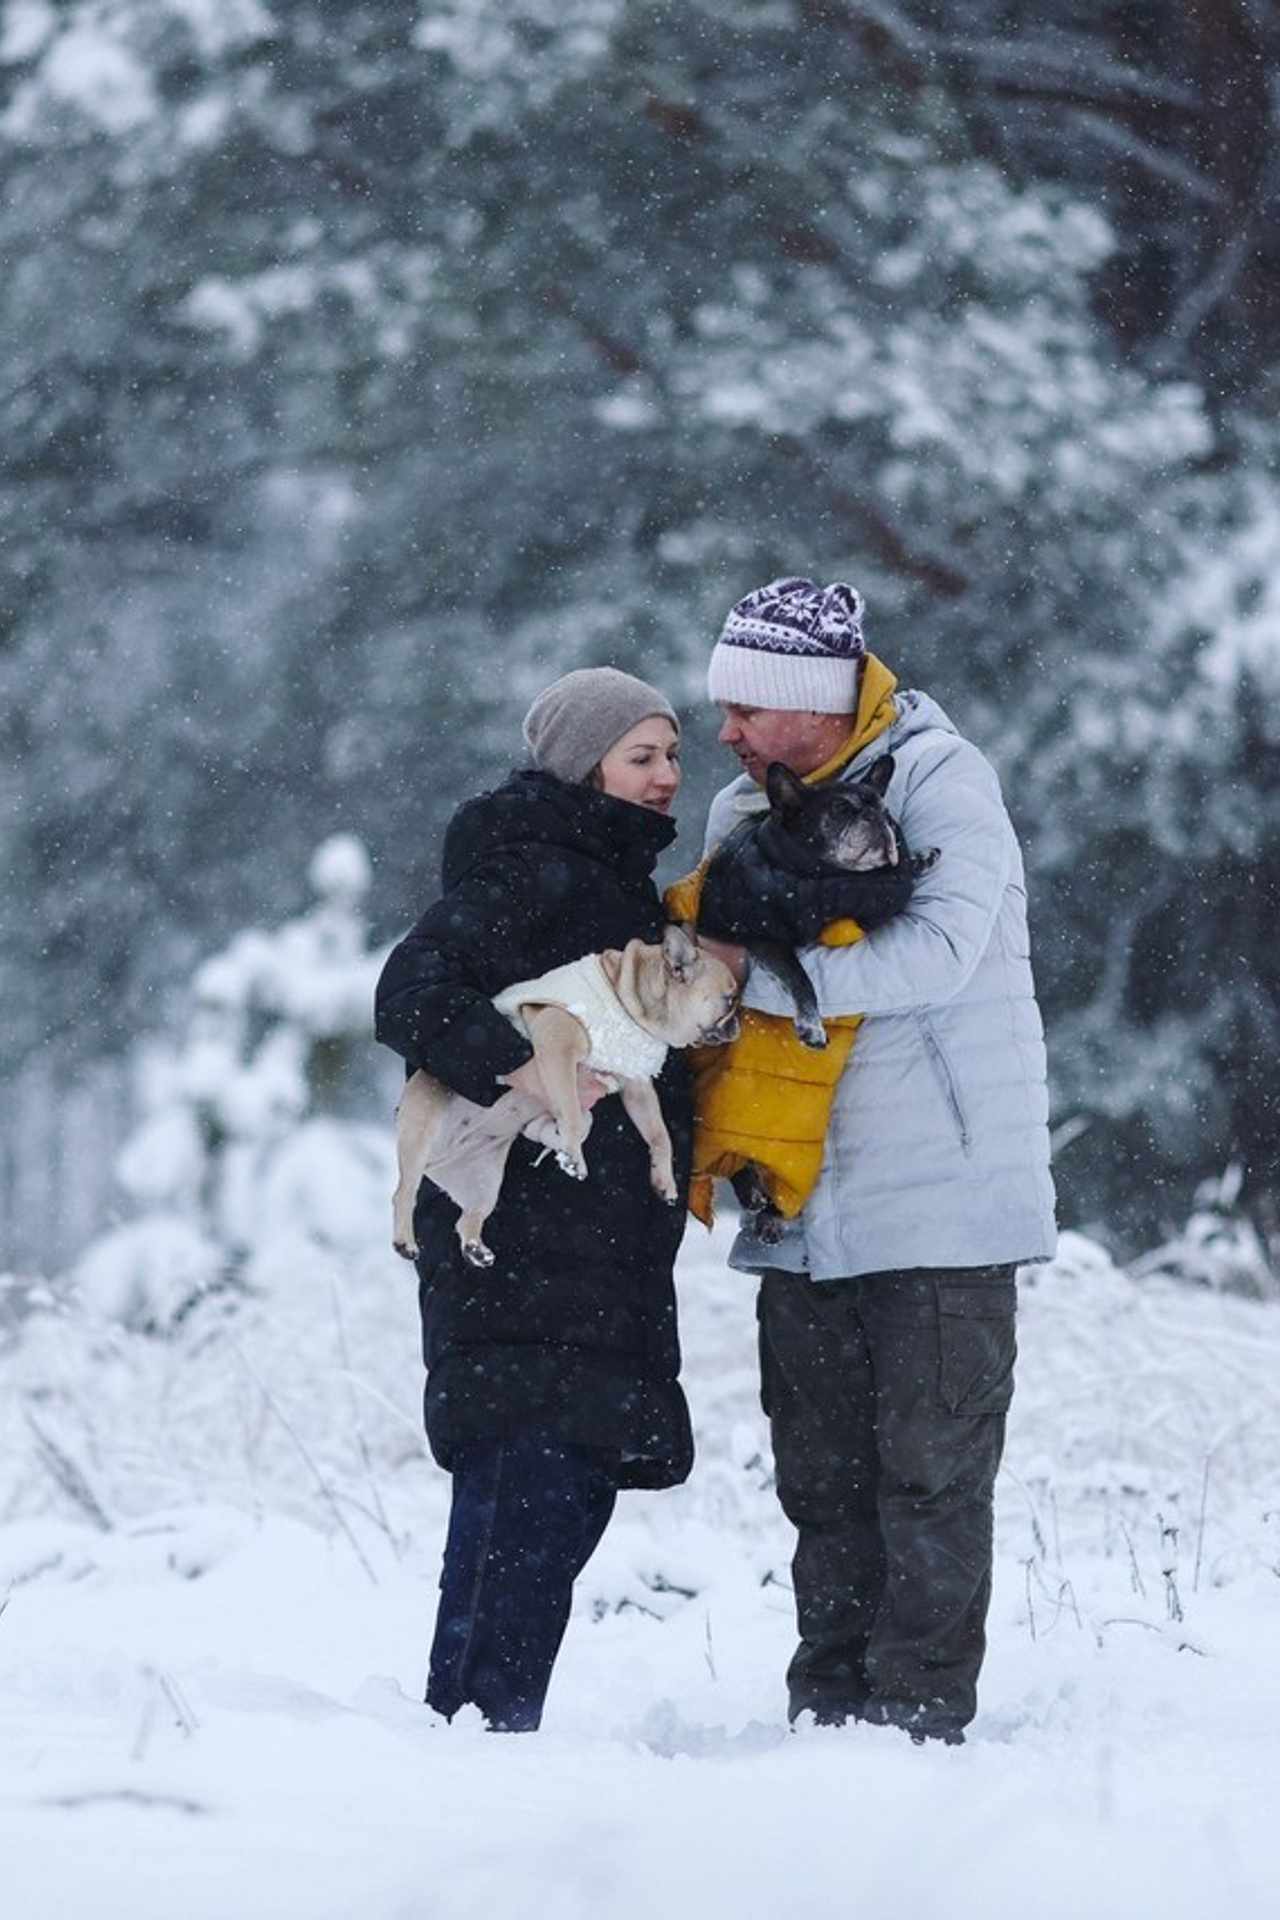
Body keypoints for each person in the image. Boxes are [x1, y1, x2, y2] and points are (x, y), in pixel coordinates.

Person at [695, 575, 1057, 1744]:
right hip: (796, 1201)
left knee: (931, 1477)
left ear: (810, 703)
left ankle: (913, 1724)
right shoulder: (736, 817)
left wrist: (752, 981)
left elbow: (940, 952)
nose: (726, 733)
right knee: (821, 1482)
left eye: (745, 710)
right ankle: (826, 1715)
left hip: (944, 1200)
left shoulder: (946, 781)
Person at [374, 667, 694, 1732]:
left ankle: (475, 1735)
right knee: (524, 1505)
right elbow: (410, 988)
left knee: (556, 1511)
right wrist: (515, 1065)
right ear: (582, 764)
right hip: (517, 1250)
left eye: (671, 755)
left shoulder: (614, 890)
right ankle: (467, 1741)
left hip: (595, 1259)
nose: (665, 776)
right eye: (640, 755)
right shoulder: (529, 875)